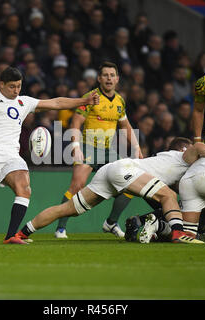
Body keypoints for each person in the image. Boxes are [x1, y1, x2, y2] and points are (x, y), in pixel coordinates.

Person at [0, 67, 99, 244]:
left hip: (12, 155)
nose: (16, 90)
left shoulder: (24, 102)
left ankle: (11, 236)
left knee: (24, 189)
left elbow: (56, 103)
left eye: (19, 86)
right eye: (12, 86)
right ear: (2, 84)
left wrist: (85, 100)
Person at [18, 137, 205, 244]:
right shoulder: (184, 156)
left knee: (67, 209)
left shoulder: (167, 161)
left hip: (111, 171)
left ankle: (22, 232)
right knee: (168, 195)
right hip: (125, 170)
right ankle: (179, 234)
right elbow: (200, 146)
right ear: (183, 149)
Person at [54, 61, 142, 239]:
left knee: (131, 184)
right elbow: (76, 122)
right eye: (105, 75)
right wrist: (76, 146)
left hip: (108, 151)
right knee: (77, 185)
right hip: (87, 147)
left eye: (112, 75)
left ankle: (111, 222)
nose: (109, 78)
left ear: (117, 79)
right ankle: (60, 228)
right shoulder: (91, 97)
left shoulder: (119, 101)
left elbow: (125, 126)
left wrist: (137, 147)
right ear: (99, 78)